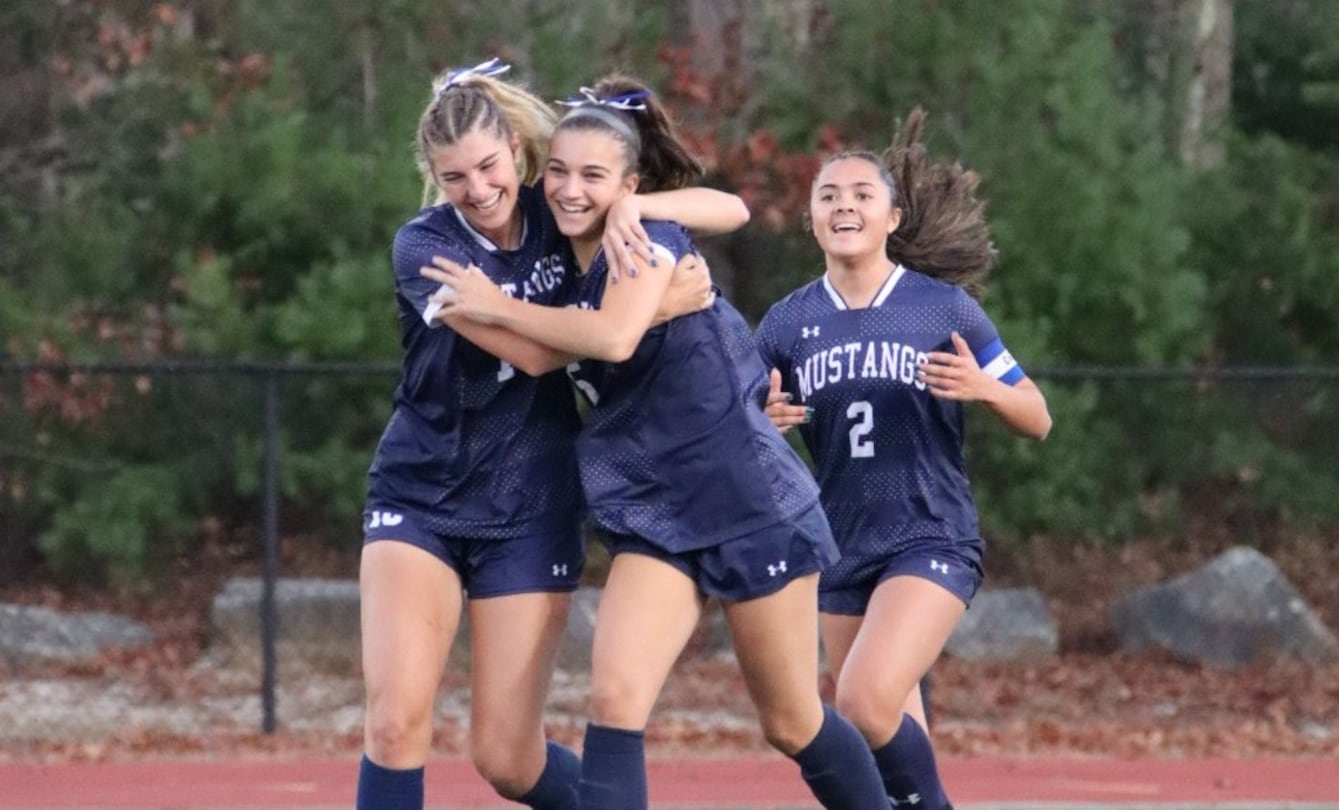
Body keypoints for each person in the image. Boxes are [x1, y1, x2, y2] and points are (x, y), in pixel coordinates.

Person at [419, 74, 891, 810]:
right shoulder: (549, 263)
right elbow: (556, 346)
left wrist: (501, 303)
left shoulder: (649, 238)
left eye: (596, 177)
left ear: (629, 186)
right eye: (562, 173)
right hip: (649, 507)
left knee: (791, 721)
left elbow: (611, 332)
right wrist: (497, 304)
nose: (573, 190)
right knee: (614, 698)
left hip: (744, 497)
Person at [359, 60, 750, 810]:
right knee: (395, 721)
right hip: (422, 495)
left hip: (530, 505)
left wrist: (637, 211)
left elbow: (727, 207)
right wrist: (643, 316)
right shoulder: (425, 249)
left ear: (513, 147)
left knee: (506, 758)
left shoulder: (562, 209)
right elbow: (535, 355)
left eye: (487, 165)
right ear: (432, 177)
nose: (476, 189)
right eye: (453, 177)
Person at [754, 109, 1053, 810]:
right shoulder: (787, 323)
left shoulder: (942, 308)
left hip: (929, 533)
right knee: (876, 730)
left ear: (891, 216)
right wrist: (759, 424)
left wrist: (985, 388)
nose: (844, 204)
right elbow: (735, 431)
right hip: (840, 544)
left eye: (861, 193)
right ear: (811, 219)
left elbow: (1038, 417)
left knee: (862, 698)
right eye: (828, 195)